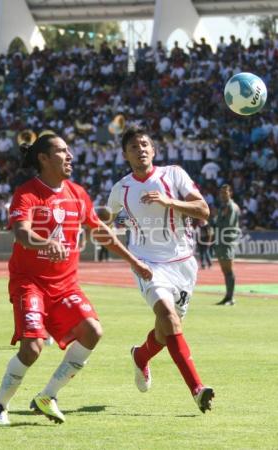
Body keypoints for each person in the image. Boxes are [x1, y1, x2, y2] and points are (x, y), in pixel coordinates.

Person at [0, 134, 152, 427]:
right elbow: (22, 234)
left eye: (69, 150)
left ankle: (47, 396)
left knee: (92, 331)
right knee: (32, 348)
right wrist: (44, 243)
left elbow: (101, 232)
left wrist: (134, 261)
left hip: (65, 285)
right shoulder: (27, 194)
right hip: (30, 282)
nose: (70, 156)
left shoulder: (77, 193)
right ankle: (0, 405)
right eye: (62, 151)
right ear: (44, 158)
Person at [106, 126, 214, 413]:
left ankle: (140, 356)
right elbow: (105, 219)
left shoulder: (175, 175)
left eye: (144, 144)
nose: (140, 149)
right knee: (168, 317)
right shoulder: (121, 189)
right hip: (148, 265)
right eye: (133, 147)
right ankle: (197, 389)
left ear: (153, 150)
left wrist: (169, 202)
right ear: (125, 155)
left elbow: (203, 210)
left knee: (166, 332)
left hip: (183, 264)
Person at [214, 184, 241, 306]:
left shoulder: (231, 207)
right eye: (221, 192)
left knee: (228, 270)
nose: (223, 195)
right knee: (225, 270)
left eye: (225, 192)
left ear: (230, 193)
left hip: (227, 241)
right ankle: (227, 296)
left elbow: (227, 225)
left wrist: (215, 221)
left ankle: (231, 298)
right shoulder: (223, 207)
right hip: (220, 241)